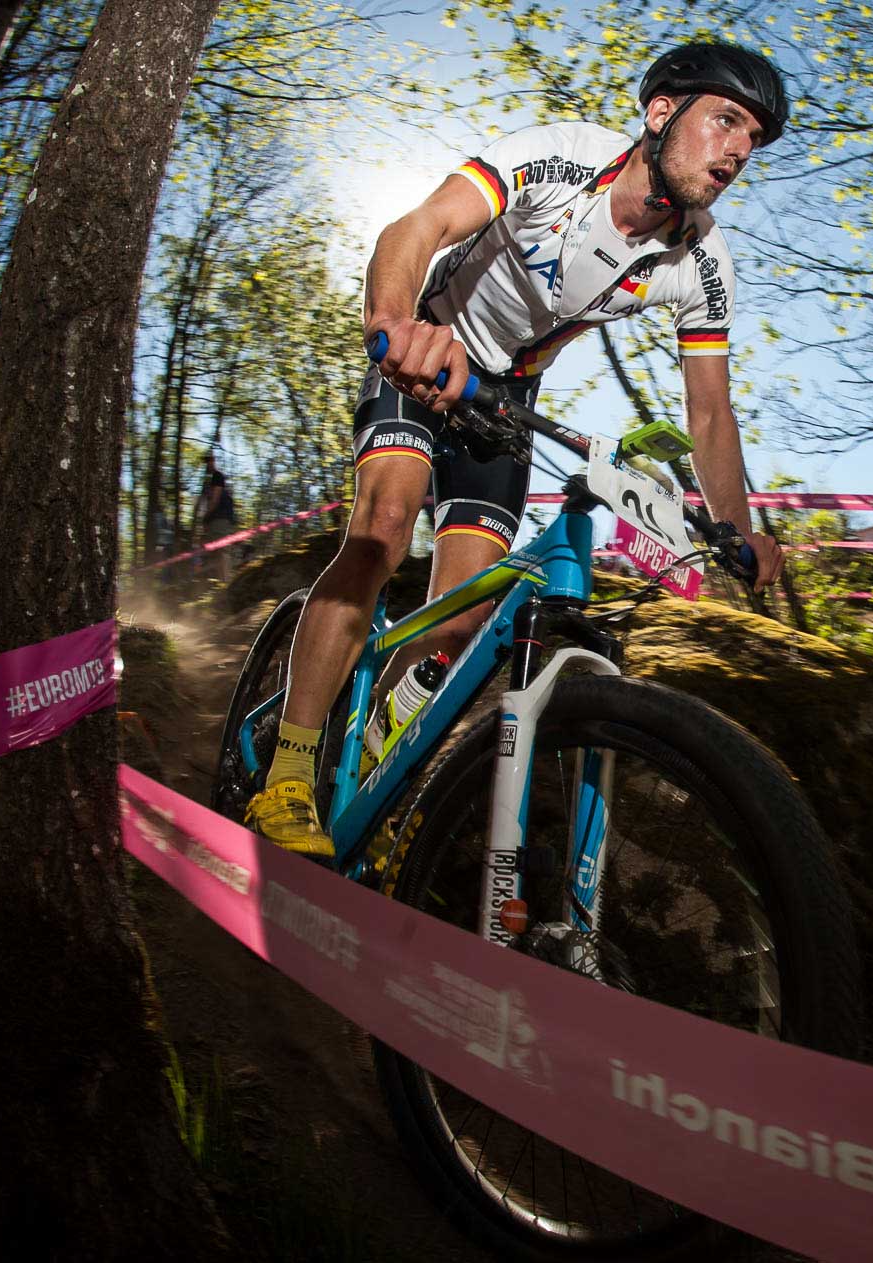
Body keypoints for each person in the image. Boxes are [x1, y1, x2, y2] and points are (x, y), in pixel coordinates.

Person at [242, 41, 790, 859]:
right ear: (661, 112)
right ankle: (287, 771)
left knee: (465, 615)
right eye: (727, 120)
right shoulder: (563, 157)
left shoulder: (702, 261)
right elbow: (418, 226)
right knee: (384, 529)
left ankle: (372, 776)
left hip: (503, 402)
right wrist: (394, 325)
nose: (740, 149)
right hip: (428, 349)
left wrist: (736, 531)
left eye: (754, 138)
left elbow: (709, 411)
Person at [191, 450, 237, 581]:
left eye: (209, 461)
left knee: (222, 551)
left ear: (213, 461)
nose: (207, 464)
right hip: (212, 521)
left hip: (221, 519)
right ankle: (217, 581)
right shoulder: (207, 483)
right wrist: (204, 521)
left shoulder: (217, 476)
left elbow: (215, 500)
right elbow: (204, 503)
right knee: (211, 552)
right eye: (205, 462)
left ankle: (226, 581)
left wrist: (205, 517)